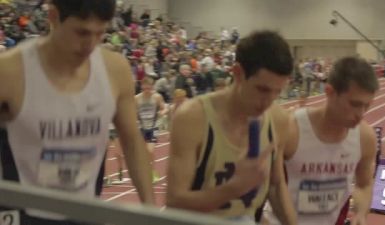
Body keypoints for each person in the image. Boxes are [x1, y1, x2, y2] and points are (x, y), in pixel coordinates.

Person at [0, 0, 154, 224]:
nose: (90, 44)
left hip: (83, 209)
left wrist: (150, 208)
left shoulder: (115, 70)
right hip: (21, 211)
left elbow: (132, 141)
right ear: (53, 16)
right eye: (81, 32)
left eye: (100, 33)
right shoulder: (10, 72)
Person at [166, 30, 297, 225]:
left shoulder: (278, 120)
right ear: (238, 73)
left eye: (277, 92)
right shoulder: (193, 117)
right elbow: (175, 202)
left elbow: (276, 186)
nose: (268, 102)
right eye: (262, 89)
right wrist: (233, 188)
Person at [267, 57, 379, 225]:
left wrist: (360, 214)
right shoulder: (291, 130)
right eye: (354, 104)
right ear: (329, 92)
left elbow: (363, 185)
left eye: (366, 106)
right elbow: (272, 186)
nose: (361, 114)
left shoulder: (365, 137)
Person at [136, 76, 167, 182]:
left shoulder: (157, 97)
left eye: (149, 89)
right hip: (141, 127)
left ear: (152, 87)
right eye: (145, 89)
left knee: (150, 150)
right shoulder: (136, 98)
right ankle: (145, 172)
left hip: (153, 126)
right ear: (141, 87)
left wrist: (162, 113)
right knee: (143, 153)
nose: (147, 91)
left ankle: (153, 172)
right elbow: (133, 112)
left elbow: (164, 108)